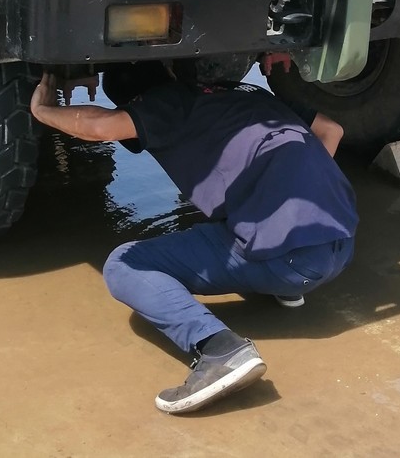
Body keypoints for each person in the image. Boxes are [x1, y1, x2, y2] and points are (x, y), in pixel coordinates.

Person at [30, 62, 358, 415]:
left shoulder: (162, 105)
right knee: (245, 216)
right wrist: (287, 204)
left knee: (125, 266)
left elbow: (99, 127)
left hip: (293, 260)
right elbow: (331, 130)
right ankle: (288, 283)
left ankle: (221, 351)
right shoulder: (245, 90)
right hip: (342, 242)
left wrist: (43, 110)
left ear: (136, 100)